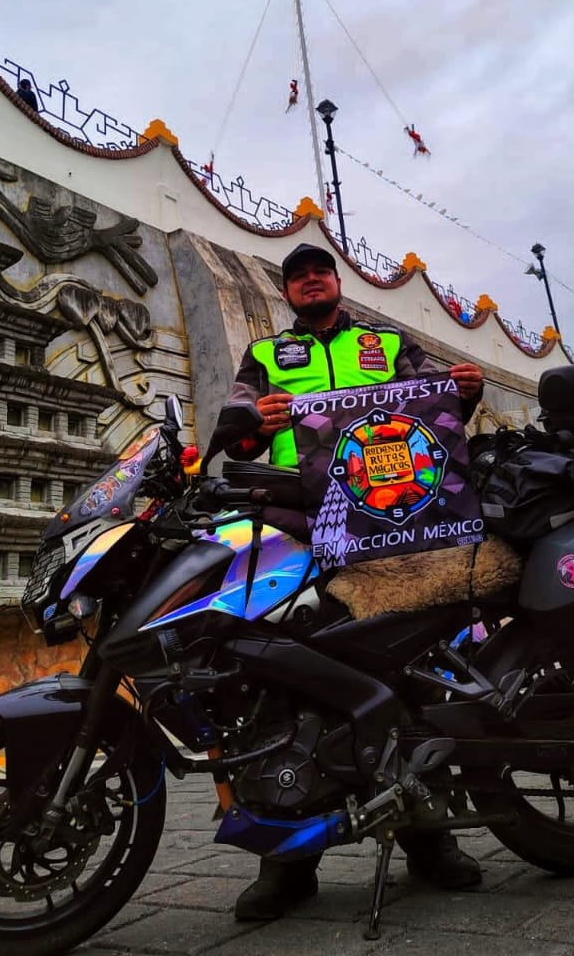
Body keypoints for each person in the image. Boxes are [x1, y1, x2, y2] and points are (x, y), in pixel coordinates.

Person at [214, 241, 486, 921]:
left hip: (392, 523)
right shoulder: (267, 356)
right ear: (288, 293)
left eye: (319, 271)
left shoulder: (387, 341)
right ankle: (286, 863)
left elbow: (440, 411)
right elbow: (235, 426)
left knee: (410, 670)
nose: (310, 280)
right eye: (297, 276)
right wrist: (253, 427)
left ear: (335, 283)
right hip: (294, 522)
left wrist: (469, 392)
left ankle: (430, 840)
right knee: (280, 680)